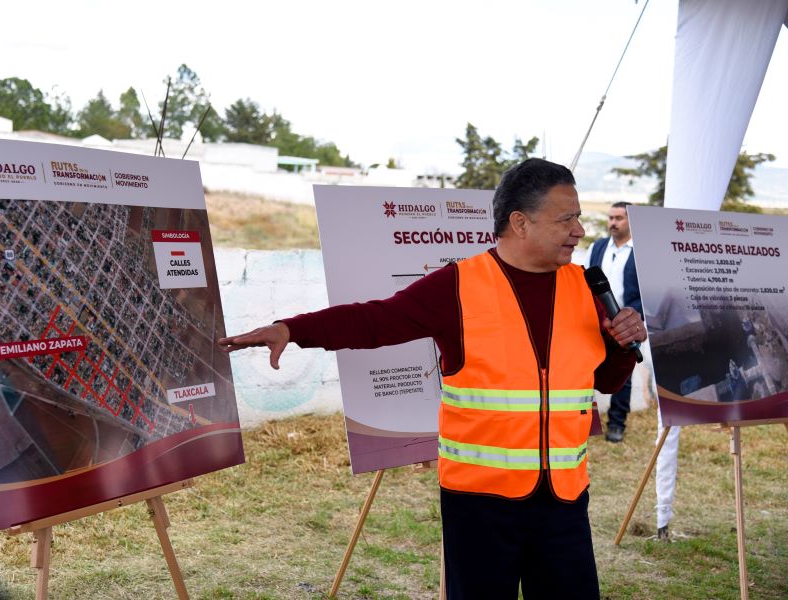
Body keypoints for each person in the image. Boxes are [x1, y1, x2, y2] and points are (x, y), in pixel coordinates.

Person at [219, 158, 646, 599]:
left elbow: (606, 381)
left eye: (578, 217)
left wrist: (622, 346)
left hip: (565, 500)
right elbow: (375, 321)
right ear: (520, 223)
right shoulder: (459, 285)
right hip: (480, 505)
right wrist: (292, 330)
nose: (579, 230)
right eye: (566, 219)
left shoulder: (586, 287)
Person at [584, 201, 643, 443]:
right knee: (588, 370)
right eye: (610, 218)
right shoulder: (598, 247)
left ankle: (617, 423)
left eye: (619, 218)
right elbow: (585, 277)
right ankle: (586, 421)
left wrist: (633, 319)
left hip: (626, 324)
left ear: (631, 221)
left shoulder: (640, 251)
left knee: (623, 376)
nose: (613, 223)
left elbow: (644, 292)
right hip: (596, 321)